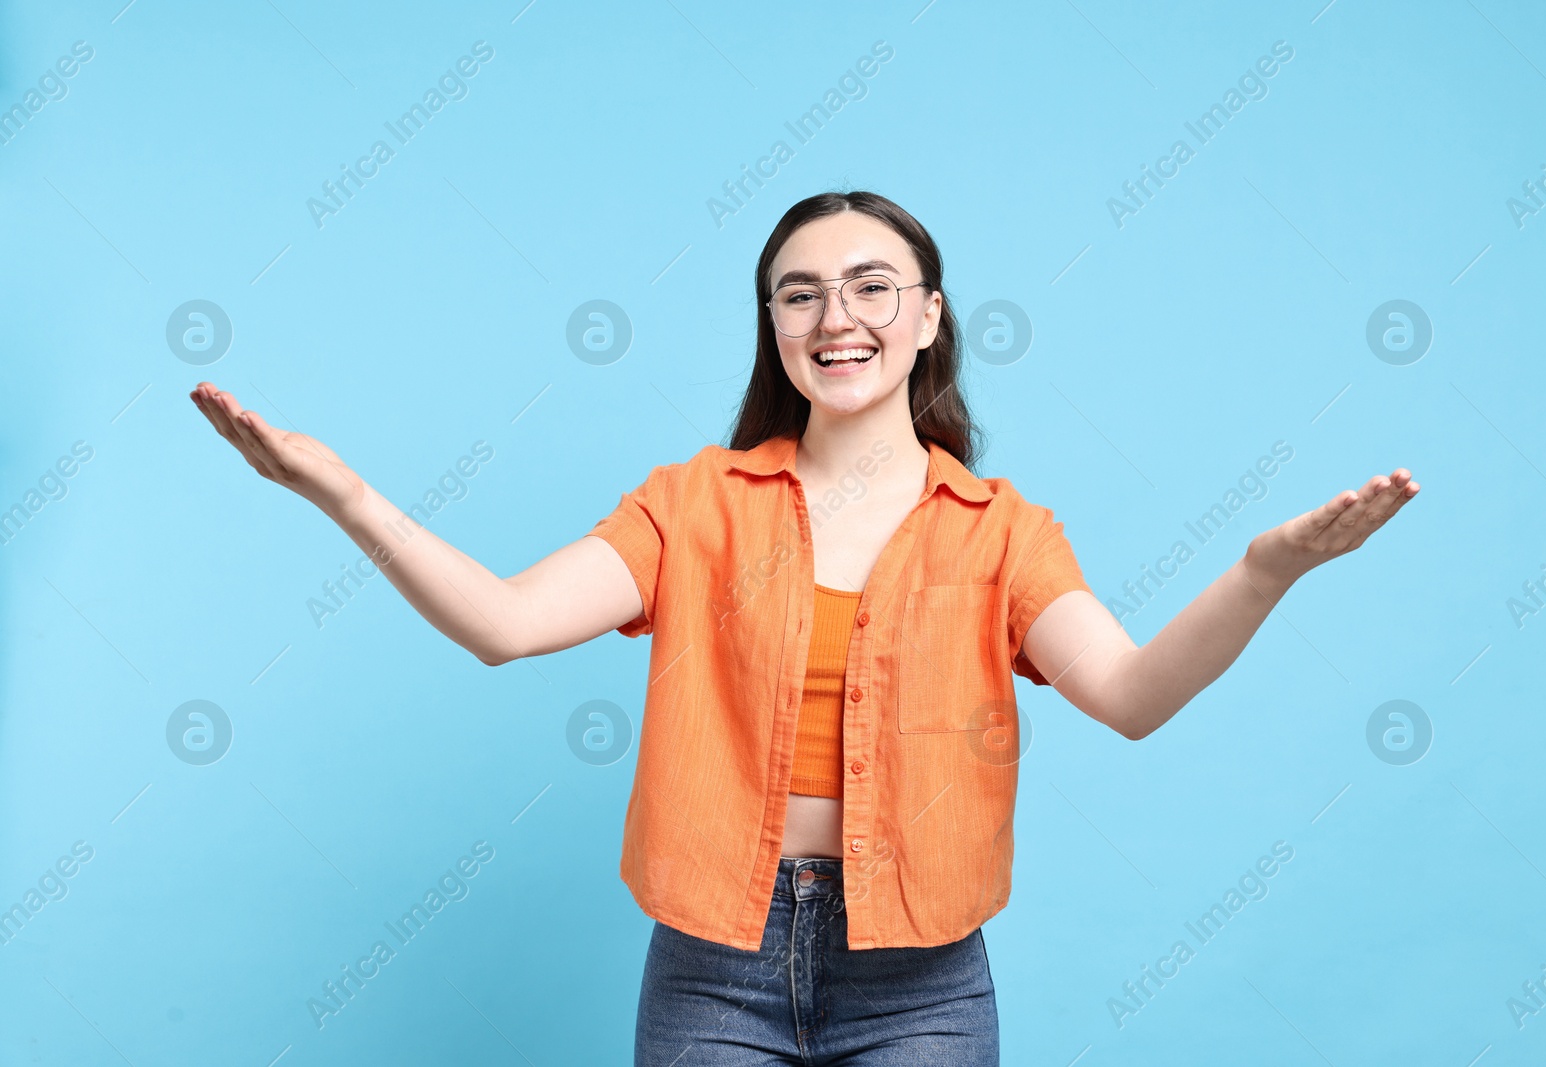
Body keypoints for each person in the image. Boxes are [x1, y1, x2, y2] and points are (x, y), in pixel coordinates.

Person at [189, 190, 1419, 1064]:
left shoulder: (1001, 529)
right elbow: (505, 623)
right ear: (776, 327)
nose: (838, 315)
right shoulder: (694, 504)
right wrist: (343, 495)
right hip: (713, 961)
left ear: (929, 316)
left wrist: (1267, 572)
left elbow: (1134, 695)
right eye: (800, 292)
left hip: (923, 976)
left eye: (872, 285)